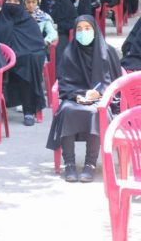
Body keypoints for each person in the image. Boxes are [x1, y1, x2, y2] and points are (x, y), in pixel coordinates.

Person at [47, 16, 121, 182]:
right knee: (66, 110)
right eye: (79, 29)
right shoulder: (69, 52)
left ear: (95, 30)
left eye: (87, 28)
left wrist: (100, 93)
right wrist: (77, 95)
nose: (83, 32)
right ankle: (69, 164)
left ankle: (90, 164)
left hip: (102, 100)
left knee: (95, 112)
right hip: (74, 98)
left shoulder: (108, 52)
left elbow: (116, 82)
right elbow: (64, 83)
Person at [0, 0, 46, 126]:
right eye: (9, 1)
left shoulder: (28, 22)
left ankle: (29, 111)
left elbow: (39, 46)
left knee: (29, 65)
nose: (12, 4)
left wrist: (25, 55)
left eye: (16, 2)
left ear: (21, 4)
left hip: (24, 62)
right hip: (1, 61)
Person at [40, 0, 78, 68]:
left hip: (60, 34)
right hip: (40, 34)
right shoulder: (38, 2)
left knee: (58, 52)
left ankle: (56, 75)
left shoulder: (66, 3)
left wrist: (59, 26)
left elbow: (73, 21)